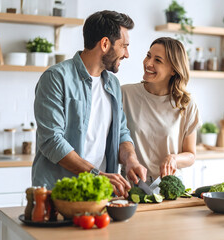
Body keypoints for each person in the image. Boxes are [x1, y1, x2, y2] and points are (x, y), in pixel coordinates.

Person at [32, 10, 147, 197]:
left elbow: (121, 132)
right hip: (60, 194)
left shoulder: (113, 84)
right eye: (124, 46)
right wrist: (96, 175)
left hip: (101, 192)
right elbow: (51, 141)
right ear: (104, 44)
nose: (127, 54)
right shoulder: (56, 78)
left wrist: (131, 160)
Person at [121, 37, 200, 185]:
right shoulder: (125, 94)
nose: (148, 63)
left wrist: (174, 159)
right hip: (132, 187)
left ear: (173, 70)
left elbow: (191, 155)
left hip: (169, 187)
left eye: (158, 60)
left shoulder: (186, 104)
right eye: (148, 56)